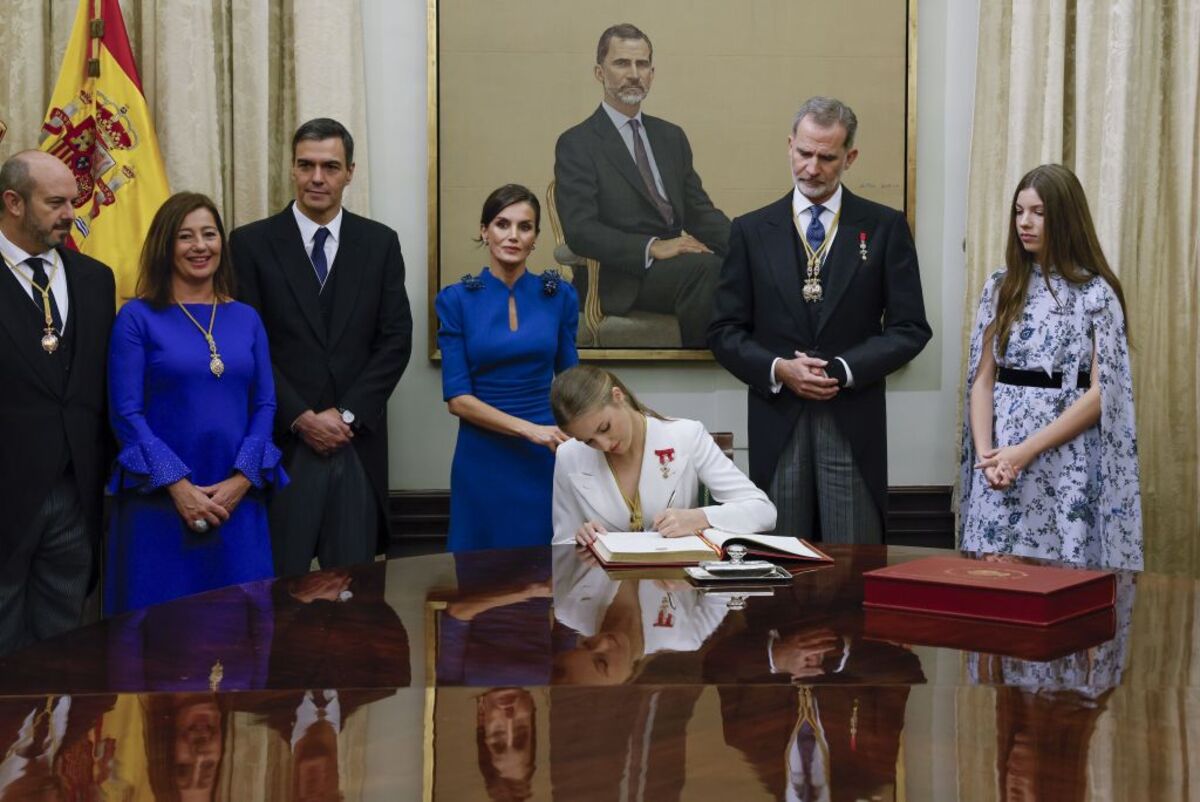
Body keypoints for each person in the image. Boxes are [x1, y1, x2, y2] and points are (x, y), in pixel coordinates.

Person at [708, 96, 931, 544]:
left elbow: (910, 328)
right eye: (804, 153)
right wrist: (778, 369)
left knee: (853, 564)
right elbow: (723, 330)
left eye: (826, 157)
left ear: (850, 157)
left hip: (851, 419)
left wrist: (844, 369)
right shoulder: (750, 231)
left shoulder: (884, 227)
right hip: (778, 417)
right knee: (781, 560)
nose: (811, 168)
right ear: (790, 145)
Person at [231, 118, 413, 576]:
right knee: (278, 593)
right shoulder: (250, 244)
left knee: (354, 599)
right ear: (291, 169)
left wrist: (346, 416)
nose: (317, 177)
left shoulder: (380, 243)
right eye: (306, 165)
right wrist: (300, 417)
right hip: (282, 442)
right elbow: (247, 346)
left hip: (356, 444)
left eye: (330, 166)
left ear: (349, 172)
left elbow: (395, 340)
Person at [106, 192, 284, 613]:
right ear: (165, 246)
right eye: (185, 236)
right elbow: (126, 412)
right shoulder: (136, 317)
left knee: (241, 634)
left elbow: (265, 406)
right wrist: (178, 486)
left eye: (209, 234)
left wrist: (241, 482)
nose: (200, 246)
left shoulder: (247, 317)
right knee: (160, 636)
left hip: (237, 503)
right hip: (159, 503)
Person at [960, 164, 1142, 570]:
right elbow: (982, 381)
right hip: (1000, 460)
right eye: (1019, 211)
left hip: (1066, 460)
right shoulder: (1001, 286)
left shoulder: (1096, 294)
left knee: (1059, 587)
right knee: (995, 583)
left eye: (1039, 213)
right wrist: (990, 456)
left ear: (1065, 218)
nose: (1025, 222)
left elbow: (1102, 394)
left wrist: (1024, 453)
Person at [0, 150, 115, 654]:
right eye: (56, 202)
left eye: (74, 200)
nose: (71, 213)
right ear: (13, 203)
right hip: (5, 494)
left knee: (63, 649)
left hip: (75, 495)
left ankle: (57, 737)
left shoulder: (95, 279)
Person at [553, 23, 730, 348]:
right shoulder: (577, 143)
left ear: (652, 72)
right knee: (708, 271)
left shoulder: (671, 137)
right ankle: (702, 376)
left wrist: (751, 251)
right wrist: (652, 247)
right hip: (620, 276)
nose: (634, 73)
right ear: (599, 72)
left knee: (747, 268)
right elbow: (580, 230)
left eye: (642, 64)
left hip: (678, 267)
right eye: (622, 63)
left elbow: (700, 213)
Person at [436, 185, 579, 551]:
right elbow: (457, 399)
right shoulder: (455, 300)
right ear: (485, 231)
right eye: (502, 224)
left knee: (541, 576)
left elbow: (572, 383)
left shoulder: (559, 295)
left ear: (535, 238)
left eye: (524, 227)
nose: (513, 235)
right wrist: (531, 431)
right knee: (478, 581)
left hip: (545, 458)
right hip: (482, 459)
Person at [549, 365, 776, 546]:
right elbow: (563, 544)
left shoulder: (687, 435)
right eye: (588, 441)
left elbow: (763, 511)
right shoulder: (569, 455)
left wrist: (700, 518)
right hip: (607, 595)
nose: (604, 445)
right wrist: (581, 539)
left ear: (617, 396)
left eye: (604, 427)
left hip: (677, 589)